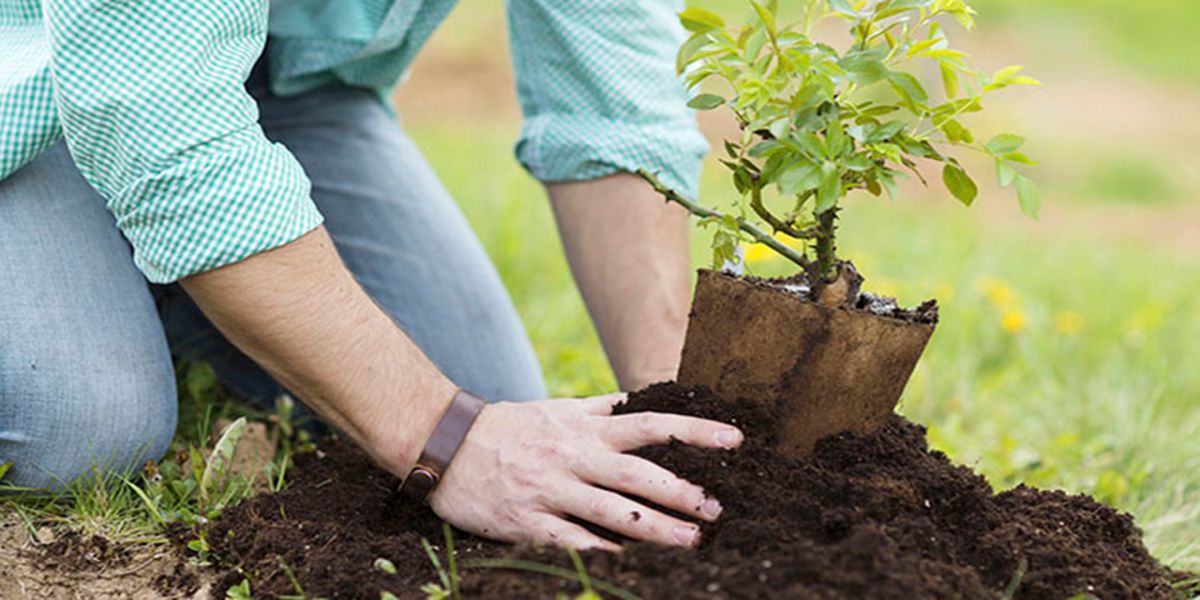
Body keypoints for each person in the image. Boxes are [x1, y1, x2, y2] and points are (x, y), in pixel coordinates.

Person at [0, 0, 742, 550]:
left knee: (486, 393)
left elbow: (614, 95)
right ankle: (139, 242)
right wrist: (445, 440)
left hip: (283, 80)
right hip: (33, 62)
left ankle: (163, 263)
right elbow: (159, 112)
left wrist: (681, 422)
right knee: (82, 429)